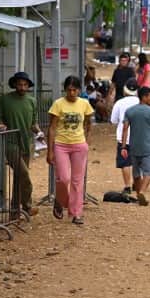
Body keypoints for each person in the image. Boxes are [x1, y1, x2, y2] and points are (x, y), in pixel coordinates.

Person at [47, 75, 94, 225]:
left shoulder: (84, 104)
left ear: (79, 90)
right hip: (61, 144)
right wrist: (50, 150)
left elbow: (88, 123)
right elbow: (52, 127)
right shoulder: (58, 104)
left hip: (79, 145)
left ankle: (76, 213)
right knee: (63, 178)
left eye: (75, 90)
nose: (72, 93)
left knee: (77, 181)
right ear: (65, 90)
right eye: (69, 90)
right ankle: (60, 200)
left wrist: (86, 140)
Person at [0, 71, 40, 217]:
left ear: (28, 86)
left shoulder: (32, 101)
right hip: (10, 143)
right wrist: (0, 125)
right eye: (19, 84)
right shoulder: (5, 99)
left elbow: (33, 123)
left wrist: (39, 132)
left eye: (25, 84)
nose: (22, 87)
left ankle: (15, 211)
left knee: (18, 177)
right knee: (24, 174)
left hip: (26, 143)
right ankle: (27, 205)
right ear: (14, 84)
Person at [121, 87, 150, 206]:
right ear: (143, 97)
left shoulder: (130, 111)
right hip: (147, 147)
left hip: (134, 147)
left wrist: (123, 146)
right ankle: (142, 192)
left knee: (136, 173)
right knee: (147, 172)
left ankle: (139, 195)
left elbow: (125, 128)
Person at [110, 78, 141, 195]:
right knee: (138, 161)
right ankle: (136, 183)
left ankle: (127, 186)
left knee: (125, 162)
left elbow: (113, 120)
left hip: (124, 138)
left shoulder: (119, 103)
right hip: (139, 137)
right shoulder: (141, 102)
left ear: (125, 89)